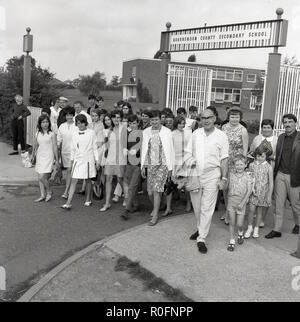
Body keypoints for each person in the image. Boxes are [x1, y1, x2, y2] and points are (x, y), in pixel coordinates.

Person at [185, 108, 229, 254]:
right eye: (203, 118)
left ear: (215, 118)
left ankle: (201, 238)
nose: (206, 120)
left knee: (207, 208)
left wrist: (223, 178)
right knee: (197, 207)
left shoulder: (221, 136)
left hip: (212, 175)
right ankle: (200, 229)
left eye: (209, 117)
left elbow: (224, 159)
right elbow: (187, 152)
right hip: (196, 174)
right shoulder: (196, 134)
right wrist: (191, 161)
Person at [265, 114, 300, 239]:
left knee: (295, 204)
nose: (287, 124)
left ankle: (298, 223)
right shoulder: (281, 137)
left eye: (290, 122)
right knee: (278, 204)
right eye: (285, 122)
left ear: (295, 123)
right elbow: (278, 155)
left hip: (295, 176)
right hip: (280, 174)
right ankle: (277, 229)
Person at [141, 110, 174, 226]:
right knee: (150, 192)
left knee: (156, 191)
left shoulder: (167, 132)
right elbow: (145, 149)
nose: (154, 122)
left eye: (156, 119)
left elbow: (171, 150)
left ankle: (155, 215)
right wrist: (143, 166)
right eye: (152, 120)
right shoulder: (146, 132)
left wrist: (170, 168)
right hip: (150, 165)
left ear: (161, 120)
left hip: (163, 165)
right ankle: (157, 206)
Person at [61, 114, 100, 210]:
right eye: (78, 123)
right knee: (74, 180)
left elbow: (95, 148)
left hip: (88, 159)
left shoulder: (91, 133)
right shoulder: (74, 134)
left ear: (85, 123)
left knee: (87, 180)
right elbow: (73, 149)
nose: (80, 125)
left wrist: (97, 161)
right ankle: (68, 202)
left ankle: (88, 199)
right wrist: (71, 161)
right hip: (77, 160)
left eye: (82, 122)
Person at [221, 108, 249, 223]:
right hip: (225, 160)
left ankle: (232, 211)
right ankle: (227, 210)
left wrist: (242, 164)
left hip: (237, 163)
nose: (234, 119)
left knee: (234, 187)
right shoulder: (224, 128)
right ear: (228, 117)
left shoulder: (243, 130)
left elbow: (245, 148)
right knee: (225, 187)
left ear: (240, 118)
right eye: (232, 117)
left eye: (237, 117)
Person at [249, 119, 278, 228]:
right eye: (264, 127)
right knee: (256, 191)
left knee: (266, 193)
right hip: (256, 168)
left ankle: (262, 218)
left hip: (269, 168)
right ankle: (254, 214)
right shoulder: (257, 138)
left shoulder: (276, 140)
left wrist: (271, 157)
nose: (266, 129)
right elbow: (251, 151)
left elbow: (278, 155)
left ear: (272, 128)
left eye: (268, 127)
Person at [100, 111, 127, 211]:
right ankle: (107, 203)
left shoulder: (123, 130)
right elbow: (106, 147)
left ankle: (127, 198)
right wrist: (103, 159)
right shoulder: (108, 131)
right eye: (114, 117)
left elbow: (125, 146)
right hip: (110, 160)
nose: (116, 119)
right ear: (111, 119)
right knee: (108, 180)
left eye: (118, 117)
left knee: (120, 180)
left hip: (120, 159)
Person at [245, 146, 273, 239]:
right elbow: (249, 178)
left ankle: (256, 228)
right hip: (253, 192)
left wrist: (269, 195)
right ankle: (249, 228)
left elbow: (271, 183)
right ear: (255, 155)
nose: (260, 158)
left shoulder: (269, 167)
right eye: (258, 156)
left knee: (259, 212)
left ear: (266, 156)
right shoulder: (252, 165)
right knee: (251, 210)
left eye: (262, 156)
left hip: (263, 194)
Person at [226, 154, 253, 251]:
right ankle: (232, 241)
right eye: (237, 164)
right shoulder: (231, 175)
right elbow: (227, 187)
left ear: (246, 165)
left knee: (239, 224)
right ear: (234, 165)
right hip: (231, 202)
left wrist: (243, 203)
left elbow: (249, 191)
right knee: (232, 223)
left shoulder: (248, 176)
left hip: (241, 203)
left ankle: (240, 232)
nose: (239, 166)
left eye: (241, 164)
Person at [33, 115, 58, 203]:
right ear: (40, 124)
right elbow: (35, 145)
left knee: (42, 177)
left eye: (46, 122)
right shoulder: (37, 133)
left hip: (49, 157)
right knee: (39, 177)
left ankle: (49, 191)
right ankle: (42, 195)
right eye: (43, 122)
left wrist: (57, 160)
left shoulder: (52, 134)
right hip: (40, 156)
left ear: (49, 123)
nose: (45, 124)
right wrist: (33, 156)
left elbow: (55, 147)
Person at [121, 114, 142, 220]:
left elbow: (145, 148)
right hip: (129, 163)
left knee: (132, 187)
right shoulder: (127, 133)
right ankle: (136, 205)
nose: (132, 125)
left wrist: (138, 151)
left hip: (138, 164)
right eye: (130, 123)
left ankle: (126, 210)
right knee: (130, 185)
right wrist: (124, 149)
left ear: (138, 123)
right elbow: (124, 145)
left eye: (134, 123)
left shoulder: (142, 133)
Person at [57, 106, 77, 200]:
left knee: (69, 171)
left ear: (73, 115)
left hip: (75, 153)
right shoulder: (62, 126)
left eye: (71, 115)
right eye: (67, 115)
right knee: (70, 172)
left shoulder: (77, 125)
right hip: (65, 153)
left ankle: (66, 191)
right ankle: (69, 189)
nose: (69, 117)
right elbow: (58, 141)